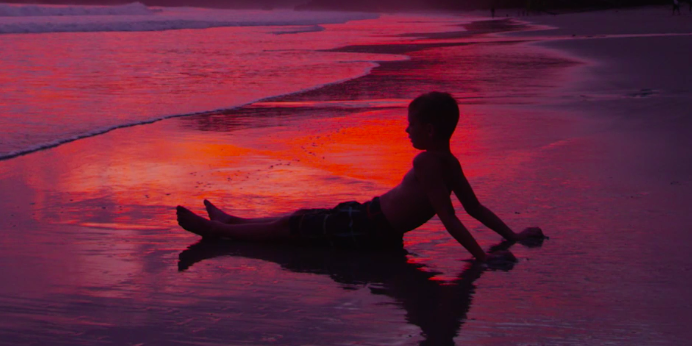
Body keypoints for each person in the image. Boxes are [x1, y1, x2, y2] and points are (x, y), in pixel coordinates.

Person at [176, 91, 544, 264]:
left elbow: (451, 217)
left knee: (292, 227)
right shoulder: (450, 162)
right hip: (366, 218)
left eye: (411, 124)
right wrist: (511, 236)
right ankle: (233, 220)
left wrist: (481, 257)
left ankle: (218, 231)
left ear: (429, 130)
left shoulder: (428, 163)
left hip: (368, 227)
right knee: (301, 216)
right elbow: (475, 209)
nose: (406, 130)